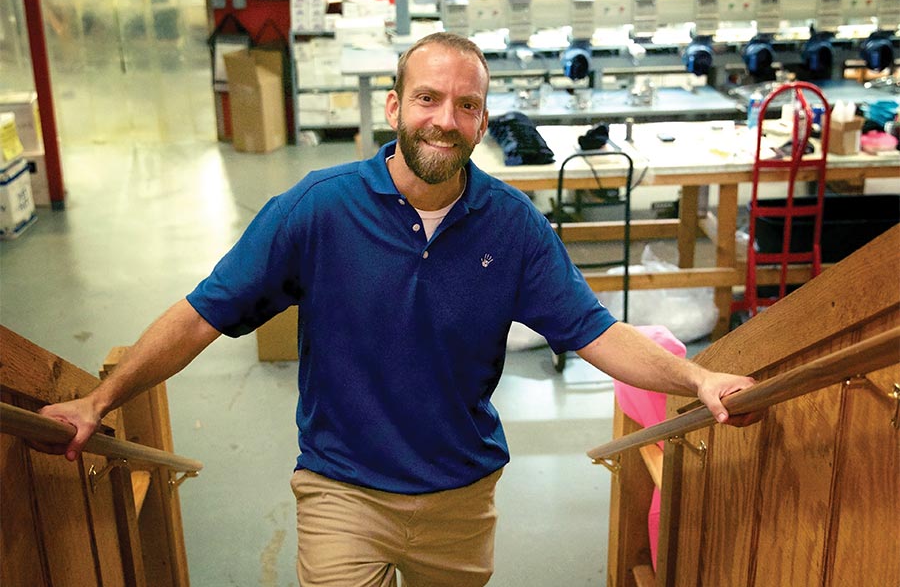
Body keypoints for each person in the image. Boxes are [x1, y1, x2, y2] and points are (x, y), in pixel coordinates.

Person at [37, 32, 755, 586]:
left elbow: (594, 331)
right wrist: (101, 401)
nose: (445, 120)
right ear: (394, 107)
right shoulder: (318, 209)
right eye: (428, 99)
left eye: (466, 105)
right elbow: (202, 314)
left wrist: (697, 382)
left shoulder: (512, 227)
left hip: (461, 495)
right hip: (343, 491)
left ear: (482, 122)